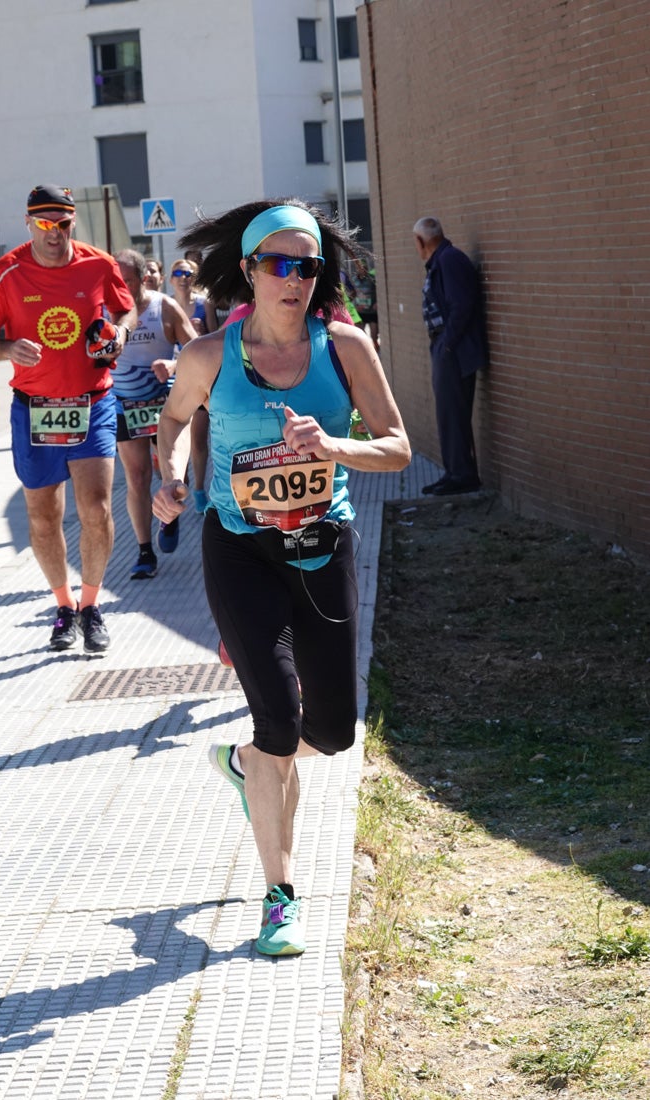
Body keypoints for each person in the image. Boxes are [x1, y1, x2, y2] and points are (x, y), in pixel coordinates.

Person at [153, 198, 411, 956]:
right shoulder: (208, 355)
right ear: (249, 272)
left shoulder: (345, 347)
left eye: (307, 266)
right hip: (238, 549)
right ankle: (279, 896)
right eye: (278, 265)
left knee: (327, 732)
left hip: (321, 544)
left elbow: (396, 447)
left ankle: (242, 765)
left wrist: (333, 446)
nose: (294, 279)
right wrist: (168, 476)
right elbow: (171, 421)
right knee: (277, 718)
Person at [0, 184, 137, 654]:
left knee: (97, 508)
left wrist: (120, 334)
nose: (53, 233)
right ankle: (63, 607)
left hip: (92, 401)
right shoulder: (6, 274)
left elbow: (126, 308)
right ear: (29, 224)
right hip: (34, 408)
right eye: (43, 224)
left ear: (71, 223)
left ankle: (91, 606)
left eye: (61, 224)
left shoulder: (98, 264)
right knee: (44, 517)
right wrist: (7, 348)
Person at [112, 249, 197, 576]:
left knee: (174, 474)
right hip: (124, 405)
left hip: (165, 405)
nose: (120, 287)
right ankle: (145, 552)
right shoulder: (105, 311)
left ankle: (169, 517)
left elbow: (197, 348)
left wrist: (174, 363)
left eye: (127, 280)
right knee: (136, 477)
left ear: (143, 278)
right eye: (115, 281)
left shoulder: (165, 307)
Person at [413, 216, 487, 495]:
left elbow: (462, 304)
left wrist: (447, 345)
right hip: (446, 348)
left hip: (453, 351)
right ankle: (454, 471)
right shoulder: (441, 261)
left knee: (453, 412)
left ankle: (462, 475)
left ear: (420, 241)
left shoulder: (449, 260)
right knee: (447, 413)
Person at [168, 257, 219, 513]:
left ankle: (198, 488)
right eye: (178, 272)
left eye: (188, 273)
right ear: (170, 278)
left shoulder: (204, 303)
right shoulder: (166, 306)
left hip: (199, 376)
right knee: (172, 433)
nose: (183, 277)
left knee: (198, 439)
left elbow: (216, 338)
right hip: (171, 379)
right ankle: (178, 480)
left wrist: (200, 335)